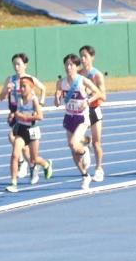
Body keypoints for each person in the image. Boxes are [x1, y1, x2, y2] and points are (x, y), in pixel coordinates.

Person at [54, 54, 104, 190]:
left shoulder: (82, 81)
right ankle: (85, 175)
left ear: (76, 67)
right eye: (66, 65)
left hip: (82, 118)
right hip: (69, 117)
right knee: (73, 149)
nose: (68, 67)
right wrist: (57, 98)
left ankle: (85, 151)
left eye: (71, 65)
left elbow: (99, 93)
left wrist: (87, 101)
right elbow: (56, 102)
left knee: (73, 143)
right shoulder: (61, 83)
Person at [0, 53, 44, 180]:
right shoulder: (10, 79)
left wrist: (40, 103)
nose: (16, 67)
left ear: (25, 65)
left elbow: (43, 89)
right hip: (15, 114)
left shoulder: (29, 80)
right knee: (14, 139)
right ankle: (27, 163)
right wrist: (6, 91)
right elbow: (1, 98)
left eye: (18, 64)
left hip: (27, 115)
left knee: (20, 143)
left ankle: (28, 163)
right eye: (14, 64)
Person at [6, 76, 53, 192]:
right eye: (20, 86)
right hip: (21, 130)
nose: (21, 89)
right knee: (15, 155)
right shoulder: (18, 98)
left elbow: (40, 116)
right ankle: (13, 183)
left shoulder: (33, 100)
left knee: (33, 159)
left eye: (24, 86)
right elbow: (14, 109)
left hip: (32, 130)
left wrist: (26, 117)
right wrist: (13, 114)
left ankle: (46, 164)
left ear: (31, 88)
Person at [79, 45, 107, 182]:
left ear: (92, 58)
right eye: (81, 56)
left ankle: (98, 168)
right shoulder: (78, 74)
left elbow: (103, 95)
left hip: (94, 110)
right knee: (77, 139)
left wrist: (90, 95)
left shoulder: (97, 75)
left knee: (97, 143)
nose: (83, 59)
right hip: (81, 111)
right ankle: (86, 142)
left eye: (85, 56)